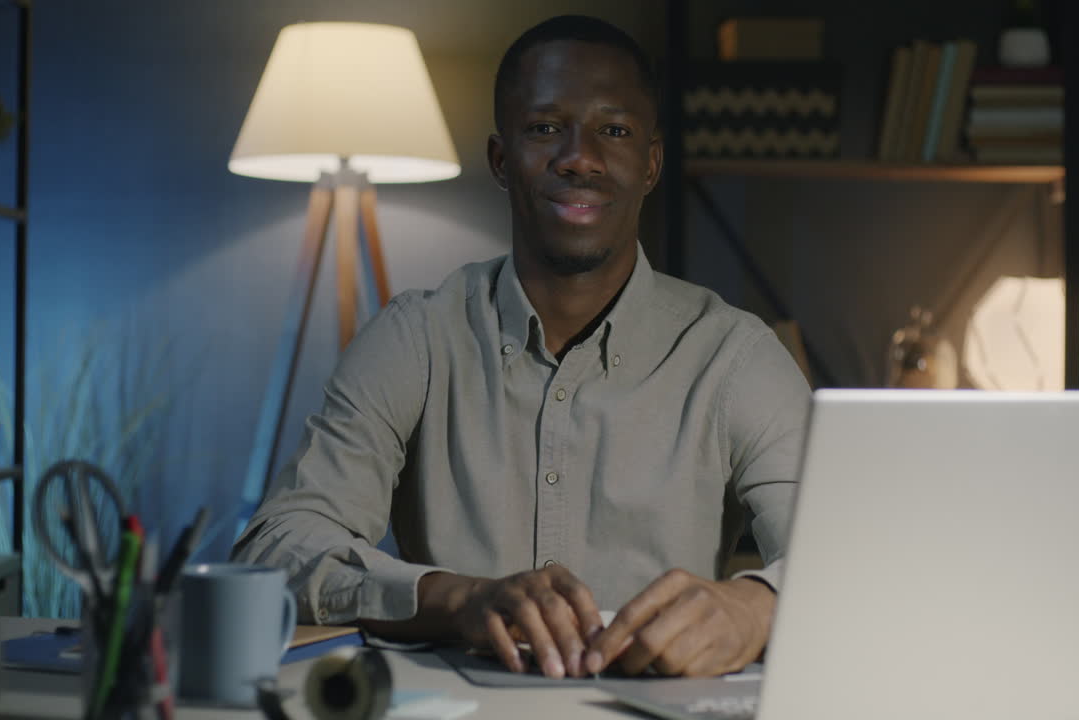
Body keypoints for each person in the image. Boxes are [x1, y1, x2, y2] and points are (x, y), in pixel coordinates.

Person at [232, 14, 811, 679]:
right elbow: (275, 549)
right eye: (544, 129)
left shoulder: (736, 356)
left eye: (613, 131)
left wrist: (756, 606)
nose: (579, 157)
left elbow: (849, 560)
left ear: (650, 164)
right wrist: (457, 597)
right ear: (502, 161)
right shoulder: (414, 339)